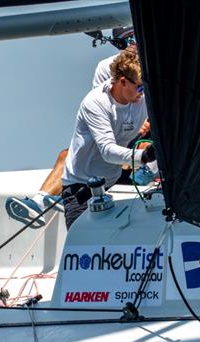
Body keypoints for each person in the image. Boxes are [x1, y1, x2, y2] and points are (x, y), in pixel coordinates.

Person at [5, 26, 147, 228]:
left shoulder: (145, 82)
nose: (132, 44)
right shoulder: (99, 90)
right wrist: (143, 155)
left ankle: (44, 199)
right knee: (69, 153)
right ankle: (41, 201)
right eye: (127, 41)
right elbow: (106, 141)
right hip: (92, 173)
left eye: (134, 38)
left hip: (118, 167)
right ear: (122, 81)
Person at [61, 49, 155, 229]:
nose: (142, 93)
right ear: (122, 82)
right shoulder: (96, 102)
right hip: (82, 188)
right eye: (140, 88)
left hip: (114, 183)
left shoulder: (139, 97)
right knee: (83, 253)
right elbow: (108, 151)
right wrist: (145, 156)